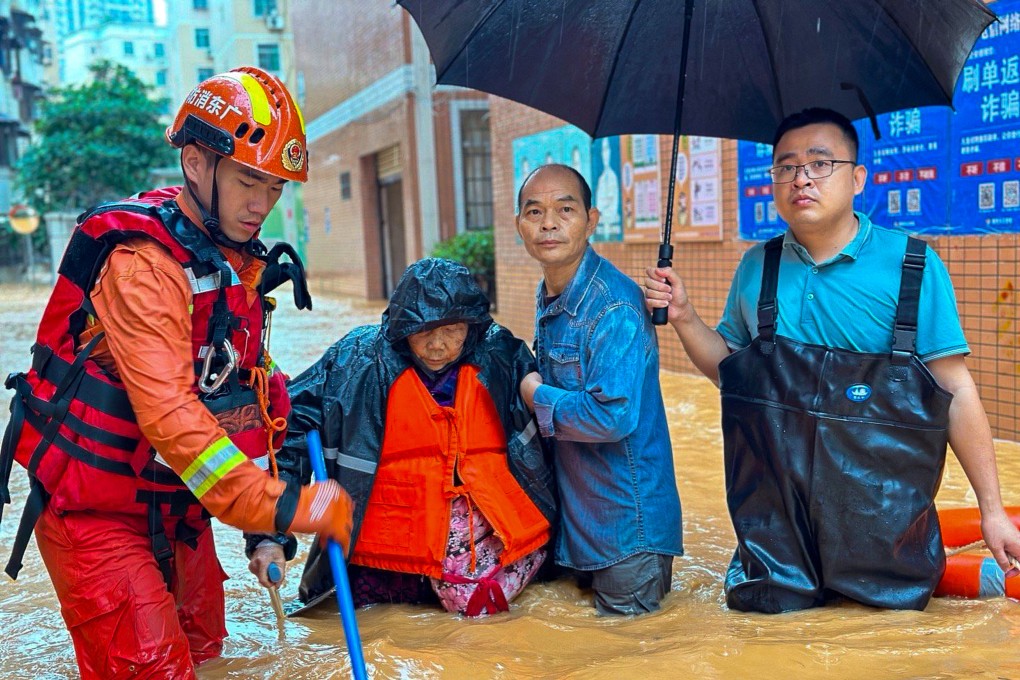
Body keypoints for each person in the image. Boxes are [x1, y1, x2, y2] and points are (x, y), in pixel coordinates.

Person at [0, 67, 353, 678]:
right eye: (248, 180)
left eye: (274, 187)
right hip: (96, 515)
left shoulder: (232, 263)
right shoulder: (143, 268)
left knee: (210, 657)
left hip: (178, 510)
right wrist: (285, 505)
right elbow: (172, 418)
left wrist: (262, 537)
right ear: (195, 162)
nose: (261, 205)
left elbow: (249, 401)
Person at [644, 107, 1020, 614]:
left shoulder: (912, 266)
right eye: (786, 166)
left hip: (885, 541)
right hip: (775, 545)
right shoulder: (758, 265)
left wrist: (992, 514)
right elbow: (731, 373)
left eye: (820, 164)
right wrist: (686, 316)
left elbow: (957, 393)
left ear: (857, 178)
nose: (802, 179)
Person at [247, 258, 557, 617]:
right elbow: (285, 437)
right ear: (401, 327)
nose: (438, 344)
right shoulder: (355, 360)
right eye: (424, 330)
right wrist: (268, 537)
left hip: (481, 534)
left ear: (472, 327)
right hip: (380, 557)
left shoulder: (502, 355)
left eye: (452, 329)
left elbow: (558, 437)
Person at [516, 164, 682, 616]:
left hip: (627, 532)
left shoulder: (613, 308)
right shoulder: (552, 290)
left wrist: (535, 394)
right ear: (519, 226)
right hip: (579, 525)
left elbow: (611, 417)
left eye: (564, 209)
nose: (548, 222)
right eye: (535, 211)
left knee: (630, 656)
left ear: (591, 220)